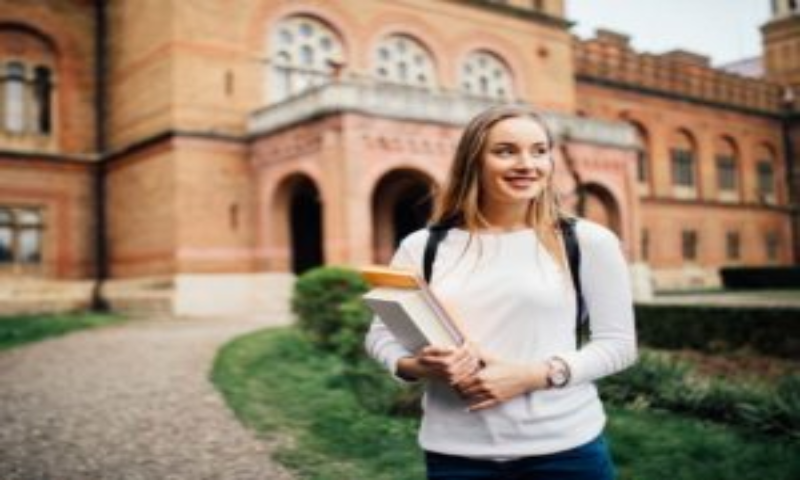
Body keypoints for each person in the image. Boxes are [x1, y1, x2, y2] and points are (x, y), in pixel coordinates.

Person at [365, 104, 637, 480]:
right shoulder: (421, 246)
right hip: (457, 455)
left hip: (566, 450)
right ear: (473, 161)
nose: (527, 164)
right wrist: (415, 367)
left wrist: (533, 375)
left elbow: (619, 344)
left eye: (539, 151)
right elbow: (381, 336)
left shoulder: (587, 241)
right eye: (505, 151)